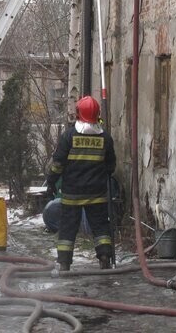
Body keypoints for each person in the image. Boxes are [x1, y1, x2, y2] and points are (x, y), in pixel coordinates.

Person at [45, 96, 116, 271]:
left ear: (78, 114)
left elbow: (57, 164)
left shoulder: (68, 137)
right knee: (101, 227)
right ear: (97, 114)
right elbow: (111, 166)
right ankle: (105, 256)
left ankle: (64, 263)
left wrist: (51, 181)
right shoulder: (105, 138)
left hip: (72, 194)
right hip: (97, 193)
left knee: (68, 228)